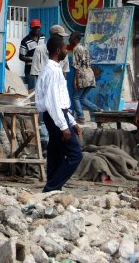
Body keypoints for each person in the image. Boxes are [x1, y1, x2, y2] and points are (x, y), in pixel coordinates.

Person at [35, 35, 83, 192]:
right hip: (55, 116)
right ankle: (52, 187)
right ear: (57, 50)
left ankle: (52, 187)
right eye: (64, 48)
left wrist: (72, 121)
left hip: (58, 114)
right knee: (75, 154)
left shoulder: (54, 69)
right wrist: (64, 126)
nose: (66, 50)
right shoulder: (52, 71)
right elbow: (53, 101)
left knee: (55, 152)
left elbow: (61, 102)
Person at [69, 32, 100, 123]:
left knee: (75, 97)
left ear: (75, 39)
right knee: (82, 98)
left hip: (82, 75)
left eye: (71, 38)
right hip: (90, 74)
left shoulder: (76, 49)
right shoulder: (84, 48)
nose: (69, 39)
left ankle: (81, 116)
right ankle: (97, 110)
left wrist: (74, 80)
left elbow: (77, 65)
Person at [19, 19, 44, 90]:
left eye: (38, 27)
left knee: (41, 90)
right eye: (35, 28)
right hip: (30, 70)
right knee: (32, 90)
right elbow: (21, 57)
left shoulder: (43, 37)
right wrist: (32, 59)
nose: (36, 29)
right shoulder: (25, 41)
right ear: (31, 28)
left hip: (41, 68)